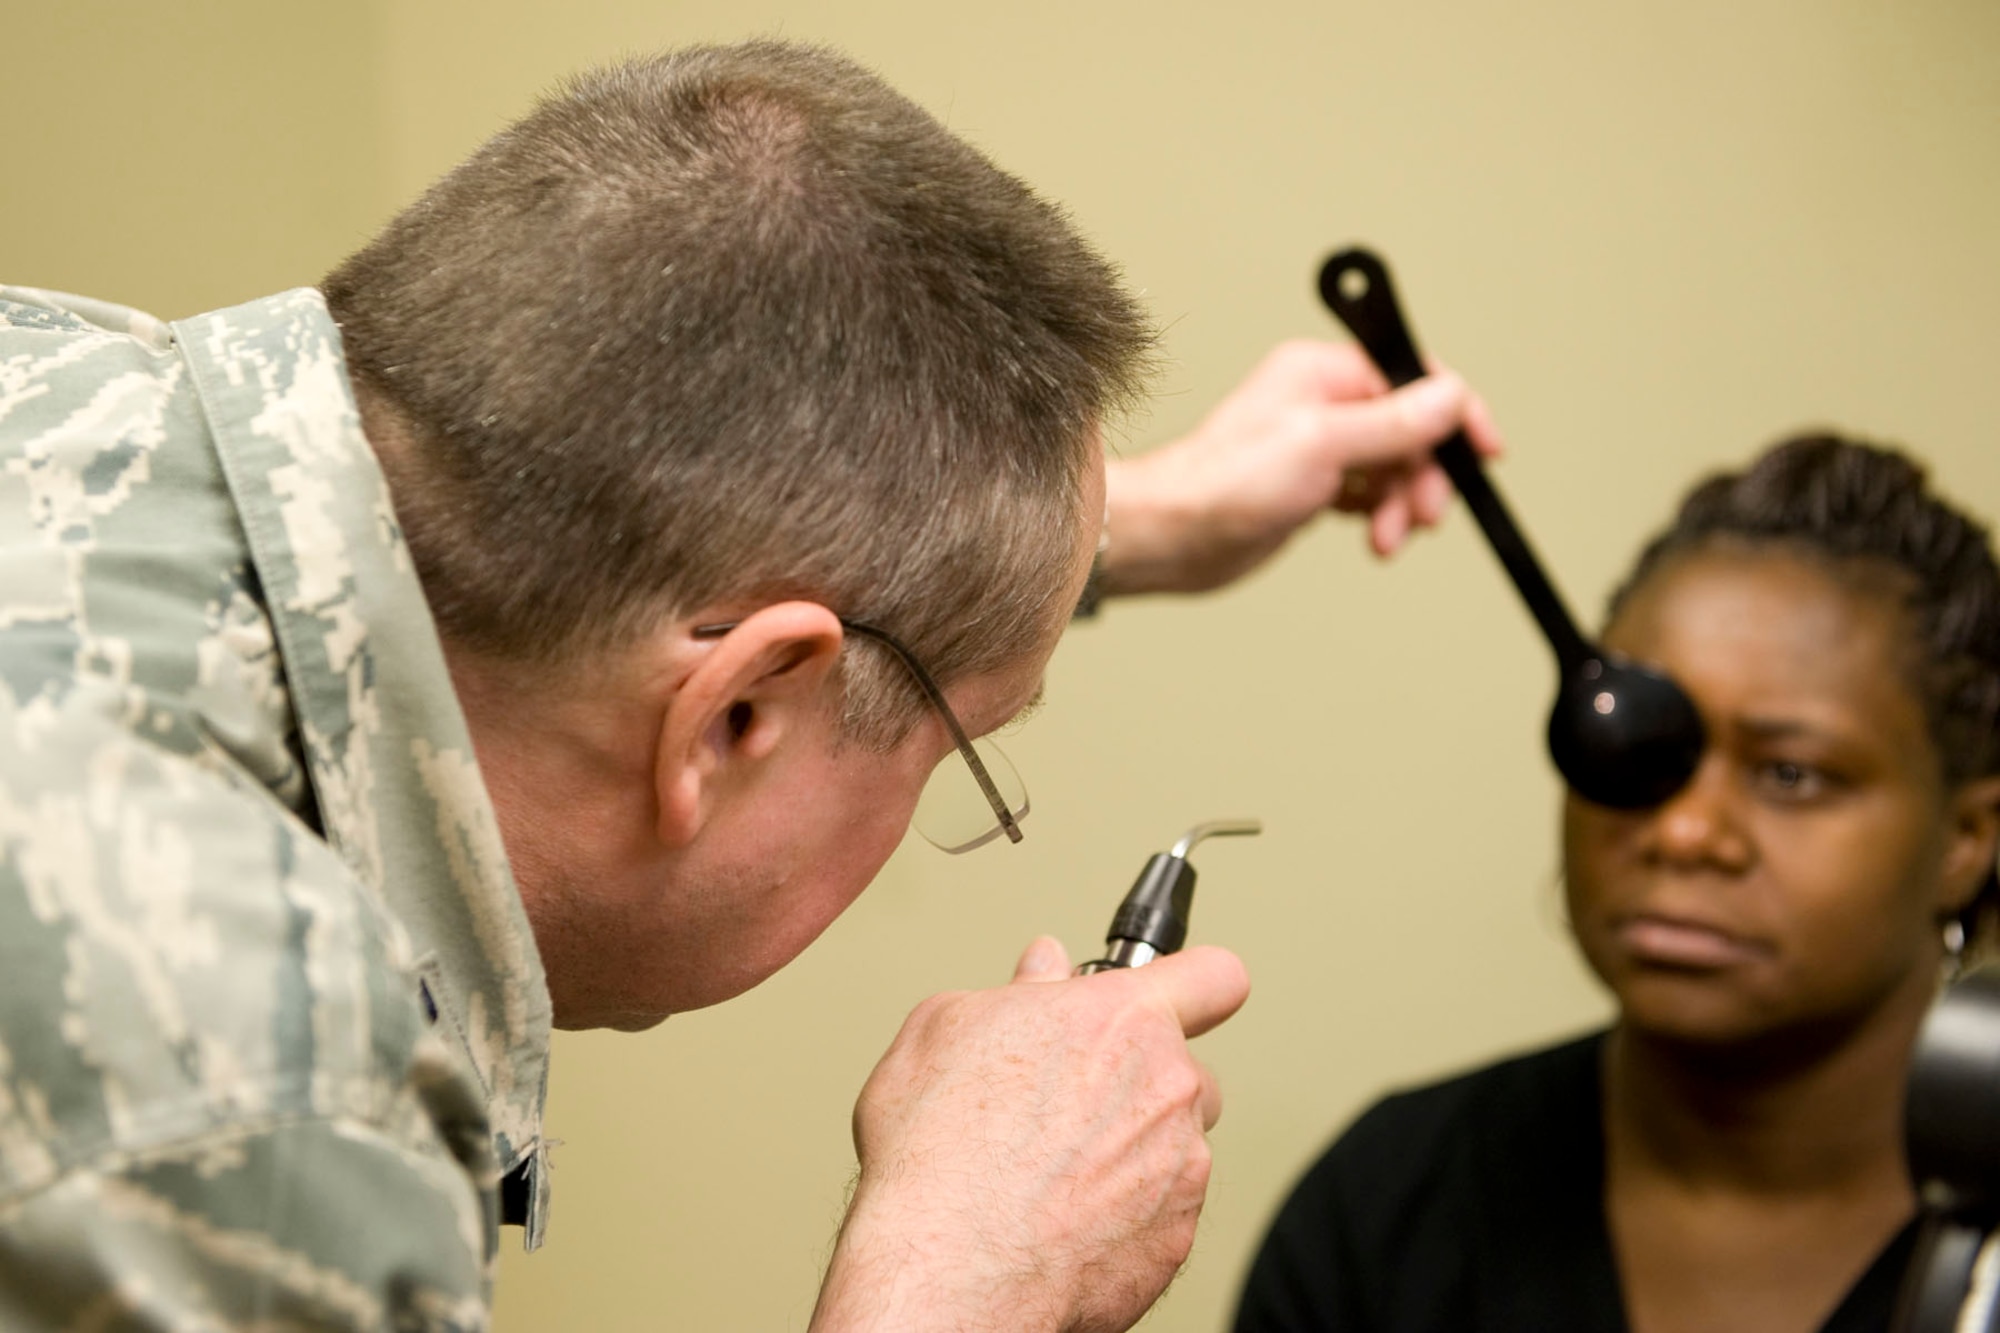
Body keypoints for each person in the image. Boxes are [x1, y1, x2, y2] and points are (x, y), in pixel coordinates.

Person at [0, 39, 1501, 1333]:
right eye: (963, 752)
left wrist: (1087, 533)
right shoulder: (253, 1118)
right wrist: (956, 1281)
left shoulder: (60, 384)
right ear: (735, 717)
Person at [1232, 432, 2000, 1333]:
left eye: (1790, 774)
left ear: (1967, 837)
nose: (1682, 831)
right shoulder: (1387, 1207)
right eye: (1638, 749)